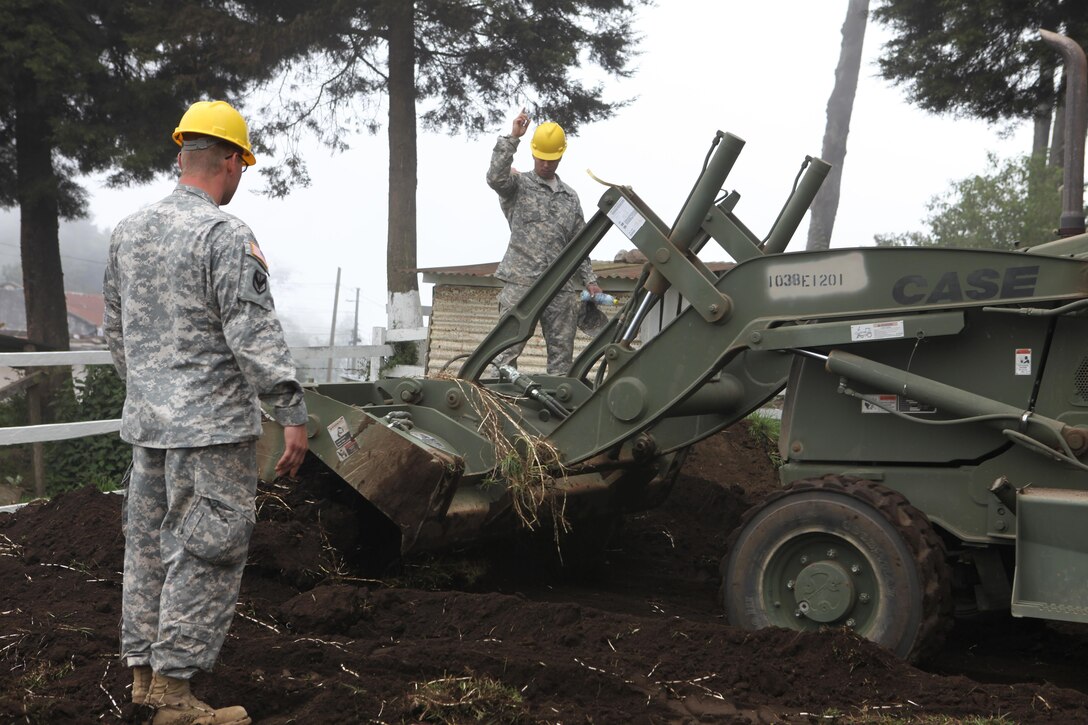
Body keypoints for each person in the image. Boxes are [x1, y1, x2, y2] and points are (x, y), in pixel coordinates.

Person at [103, 99, 308, 725]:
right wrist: (290, 411)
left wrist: (152, 392)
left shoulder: (129, 231)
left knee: (146, 549)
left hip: (149, 428)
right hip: (213, 432)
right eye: (242, 164)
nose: (242, 176)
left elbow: (115, 333)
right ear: (227, 161)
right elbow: (253, 335)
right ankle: (173, 698)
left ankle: (143, 678)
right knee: (206, 552)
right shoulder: (224, 235)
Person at [486, 110, 604, 375]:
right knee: (504, 354)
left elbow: (580, 245)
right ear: (533, 153)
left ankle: (558, 411)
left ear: (561, 155)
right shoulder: (518, 185)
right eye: (542, 158)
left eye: (552, 159)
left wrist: (590, 281)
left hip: (560, 288)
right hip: (521, 284)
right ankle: (494, 403)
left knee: (562, 361)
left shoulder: (570, 198)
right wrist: (513, 137)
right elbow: (495, 178)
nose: (546, 164)